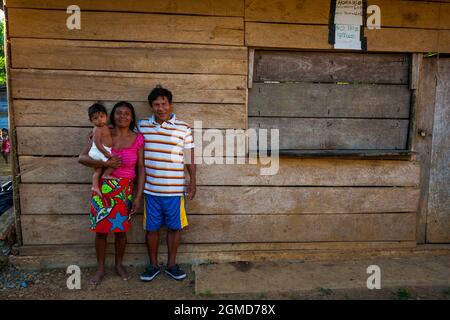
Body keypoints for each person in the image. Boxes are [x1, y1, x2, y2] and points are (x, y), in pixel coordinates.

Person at [78, 101, 145, 285]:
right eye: (119, 113)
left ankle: (119, 265)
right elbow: (82, 158)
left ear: (132, 118)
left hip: (125, 190)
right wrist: (107, 164)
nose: (123, 116)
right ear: (112, 116)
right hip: (102, 189)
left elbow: (141, 168)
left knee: (121, 231)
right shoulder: (102, 132)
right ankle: (100, 268)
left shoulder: (138, 138)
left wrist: (138, 196)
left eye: (127, 113)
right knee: (101, 231)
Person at [139, 85, 196, 282]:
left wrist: (193, 181)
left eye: (164, 103)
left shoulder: (184, 128)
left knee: (175, 228)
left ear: (170, 105)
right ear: (151, 107)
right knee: (151, 229)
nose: (161, 108)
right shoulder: (142, 126)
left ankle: (172, 265)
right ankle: (153, 265)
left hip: (174, 190)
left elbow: (189, 157)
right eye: (156, 104)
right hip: (150, 190)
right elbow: (125, 135)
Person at [87, 103, 114, 196]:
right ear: (91, 121)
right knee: (113, 161)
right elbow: (97, 143)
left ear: (106, 116)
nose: (99, 120)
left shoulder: (104, 127)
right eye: (95, 118)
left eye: (102, 116)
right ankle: (100, 180)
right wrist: (105, 152)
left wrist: (109, 127)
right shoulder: (97, 129)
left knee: (98, 170)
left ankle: (96, 185)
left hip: (103, 150)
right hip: (99, 151)